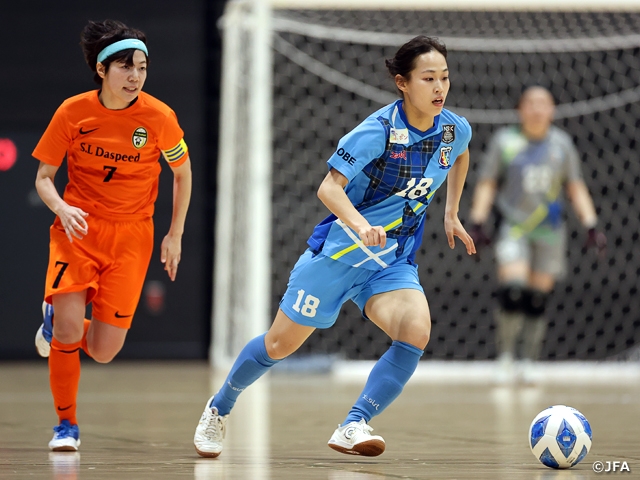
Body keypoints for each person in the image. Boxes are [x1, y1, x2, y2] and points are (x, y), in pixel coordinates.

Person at [194, 35, 476, 458]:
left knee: (416, 330)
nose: (440, 88)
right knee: (278, 345)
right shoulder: (378, 131)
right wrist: (361, 225)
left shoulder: (453, 128)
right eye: (428, 78)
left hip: (390, 262)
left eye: (445, 77)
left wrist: (451, 211)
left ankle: (354, 424)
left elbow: (461, 153)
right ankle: (219, 407)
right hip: (339, 255)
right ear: (402, 83)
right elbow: (328, 188)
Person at [33, 19, 192, 451]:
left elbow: (182, 173)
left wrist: (174, 234)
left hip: (133, 236)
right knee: (70, 331)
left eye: (142, 67)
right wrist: (62, 208)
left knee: (103, 350)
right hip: (78, 229)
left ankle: (56, 323)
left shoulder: (159, 117)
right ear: (102, 70)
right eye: (125, 67)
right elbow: (44, 178)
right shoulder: (73, 112)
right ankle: (66, 425)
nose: (135, 76)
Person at [468, 85, 606, 384]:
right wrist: (477, 221)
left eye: (543, 102)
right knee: (513, 288)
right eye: (530, 102)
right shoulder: (505, 141)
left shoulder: (561, 144)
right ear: (520, 108)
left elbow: (575, 185)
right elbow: (488, 182)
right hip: (514, 226)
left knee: (537, 297)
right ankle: (505, 358)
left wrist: (591, 224)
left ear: (552, 109)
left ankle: (529, 360)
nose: (537, 108)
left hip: (549, 230)